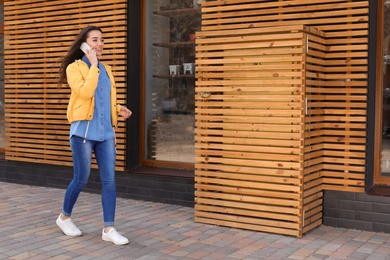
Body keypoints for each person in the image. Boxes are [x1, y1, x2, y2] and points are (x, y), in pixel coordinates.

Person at [56, 25, 132, 245]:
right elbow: (85, 92)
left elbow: (104, 98)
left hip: (105, 132)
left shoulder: (107, 69)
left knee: (109, 180)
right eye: (95, 40)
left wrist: (118, 109)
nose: (100, 44)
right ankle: (64, 217)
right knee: (81, 178)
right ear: (84, 43)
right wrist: (93, 66)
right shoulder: (75, 68)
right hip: (83, 132)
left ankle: (109, 228)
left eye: (102, 40)